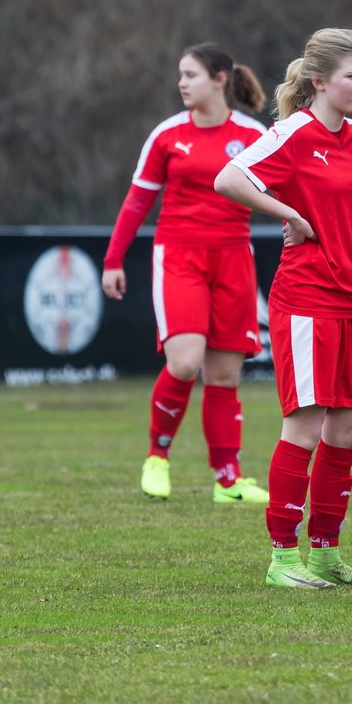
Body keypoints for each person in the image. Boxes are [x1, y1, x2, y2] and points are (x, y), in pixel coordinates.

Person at [215, 27, 352, 589]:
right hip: (307, 299)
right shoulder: (292, 132)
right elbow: (229, 177)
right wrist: (287, 212)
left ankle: (325, 555)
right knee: (305, 426)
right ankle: (282, 559)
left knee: (349, 429)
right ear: (319, 81)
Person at [102, 43, 270, 504]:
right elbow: (138, 201)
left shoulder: (254, 135)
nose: (182, 83)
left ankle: (227, 479)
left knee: (223, 376)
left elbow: (288, 187)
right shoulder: (167, 135)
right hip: (179, 257)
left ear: (220, 79)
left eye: (191, 75)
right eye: (180, 74)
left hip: (234, 258)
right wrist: (113, 261)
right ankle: (157, 457)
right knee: (185, 362)